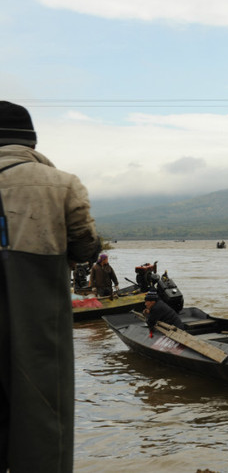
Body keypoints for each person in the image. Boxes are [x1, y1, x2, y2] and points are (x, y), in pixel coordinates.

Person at [0, 100, 100, 472]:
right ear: (33, 142)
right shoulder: (62, 184)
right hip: (36, 320)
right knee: (44, 414)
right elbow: (86, 246)